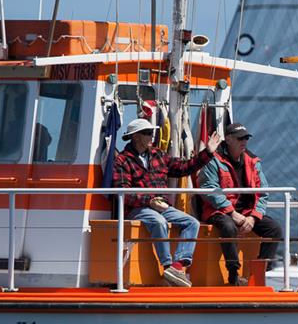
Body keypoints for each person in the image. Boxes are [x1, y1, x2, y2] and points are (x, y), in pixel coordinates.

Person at [113, 118, 221, 287]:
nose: (152, 136)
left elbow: (185, 167)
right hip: (137, 208)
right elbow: (124, 192)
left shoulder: (159, 155)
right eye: (148, 133)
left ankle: (177, 267)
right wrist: (150, 201)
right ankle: (168, 266)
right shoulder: (122, 160)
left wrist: (207, 152)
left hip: (160, 206)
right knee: (158, 222)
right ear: (135, 137)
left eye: (152, 133)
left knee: (192, 222)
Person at [198, 123, 282, 286]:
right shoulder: (213, 159)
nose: (244, 141)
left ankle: (258, 273)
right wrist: (232, 213)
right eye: (240, 138)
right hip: (218, 211)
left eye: (246, 138)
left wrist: (253, 217)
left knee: (275, 229)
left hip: (247, 211)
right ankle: (233, 274)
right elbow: (209, 189)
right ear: (228, 139)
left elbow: (263, 192)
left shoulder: (253, 161)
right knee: (228, 227)